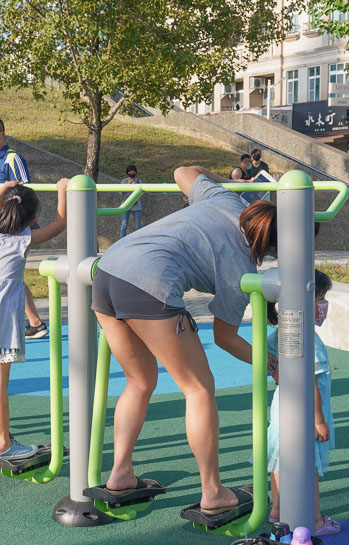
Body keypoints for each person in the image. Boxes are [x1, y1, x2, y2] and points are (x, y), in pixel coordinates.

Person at [90, 165, 277, 515]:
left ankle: (120, 474)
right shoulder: (242, 268)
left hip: (108, 269)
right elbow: (225, 338)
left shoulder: (222, 197)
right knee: (199, 387)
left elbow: (182, 171)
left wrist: (215, 180)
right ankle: (213, 492)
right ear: (269, 250)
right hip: (150, 280)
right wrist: (271, 362)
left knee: (139, 380)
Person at [0, 179, 70, 460]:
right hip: (0, 315)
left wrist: (2, 188)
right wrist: (62, 190)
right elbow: (60, 223)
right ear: (31, 219)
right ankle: (2, 444)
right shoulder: (23, 239)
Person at [265, 270, 340, 535]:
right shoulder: (310, 339)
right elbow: (310, 382)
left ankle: (277, 512)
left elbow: (269, 364)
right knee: (309, 470)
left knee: (278, 463)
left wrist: (276, 370)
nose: (323, 305)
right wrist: (318, 420)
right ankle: (315, 520)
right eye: (320, 297)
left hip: (280, 410)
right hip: (307, 414)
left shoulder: (279, 333)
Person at [0, 114, 48, 340]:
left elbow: (25, 192)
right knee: (3, 274)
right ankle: (34, 321)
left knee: (7, 274)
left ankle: (32, 321)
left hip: (12, 228)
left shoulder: (12, 159)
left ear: (2, 134)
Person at [119, 165, 144, 237]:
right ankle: (122, 240)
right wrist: (128, 186)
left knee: (138, 225)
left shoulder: (139, 182)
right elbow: (121, 193)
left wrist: (135, 185)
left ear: (135, 173)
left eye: (133, 173)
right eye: (130, 173)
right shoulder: (124, 181)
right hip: (126, 205)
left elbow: (141, 194)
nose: (131, 175)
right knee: (124, 224)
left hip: (136, 206)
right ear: (127, 173)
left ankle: (138, 240)